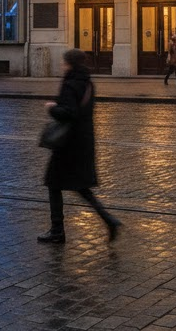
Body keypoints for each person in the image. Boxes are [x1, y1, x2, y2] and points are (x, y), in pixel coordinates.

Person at [38, 48, 121, 244]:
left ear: (70, 64)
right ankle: (109, 220)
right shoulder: (87, 82)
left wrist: (52, 108)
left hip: (68, 144)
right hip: (83, 141)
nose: (61, 65)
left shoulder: (70, 83)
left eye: (63, 62)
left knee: (53, 183)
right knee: (82, 188)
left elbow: (69, 112)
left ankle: (57, 231)